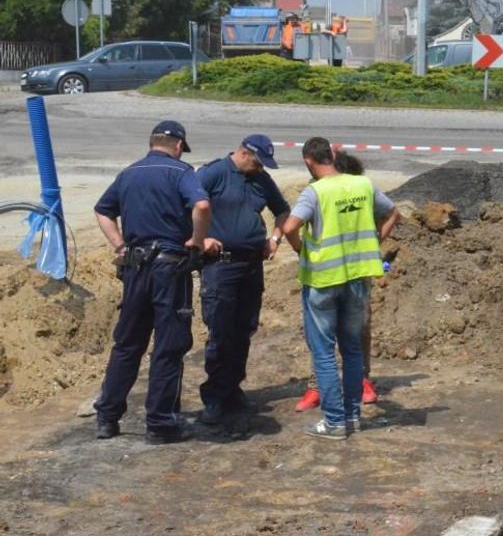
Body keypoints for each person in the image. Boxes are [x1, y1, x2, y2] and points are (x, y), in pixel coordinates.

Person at [93, 120, 210, 445]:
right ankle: (160, 424)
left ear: (152, 143)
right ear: (177, 146)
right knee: (169, 347)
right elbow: (201, 205)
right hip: (169, 270)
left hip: (135, 268)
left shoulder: (128, 173)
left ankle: (107, 417)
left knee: (128, 345)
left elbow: (103, 211)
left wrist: (119, 245)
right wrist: (197, 241)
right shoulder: (181, 172)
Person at [281, 138, 400, 439]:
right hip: (358, 278)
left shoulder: (315, 192)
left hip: (323, 280)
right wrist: (374, 243)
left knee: (323, 352)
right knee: (351, 349)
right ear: (332, 155)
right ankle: (352, 416)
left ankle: (334, 421)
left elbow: (290, 227)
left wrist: (302, 252)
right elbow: (393, 213)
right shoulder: (363, 185)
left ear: (309, 160)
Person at [196, 135, 291, 425]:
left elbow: (283, 210)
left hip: (251, 266)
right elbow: (185, 205)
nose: (261, 168)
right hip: (221, 267)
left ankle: (233, 387)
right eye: (258, 162)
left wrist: (275, 238)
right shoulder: (215, 173)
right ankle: (214, 396)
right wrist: (201, 238)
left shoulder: (261, 179)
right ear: (244, 153)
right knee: (221, 331)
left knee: (244, 328)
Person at [294, 150, 388, 411]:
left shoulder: (361, 187)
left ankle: (353, 391)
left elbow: (391, 214)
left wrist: (374, 240)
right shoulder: (319, 190)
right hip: (328, 273)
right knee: (324, 340)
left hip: (355, 272)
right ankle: (319, 388)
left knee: (354, 335)